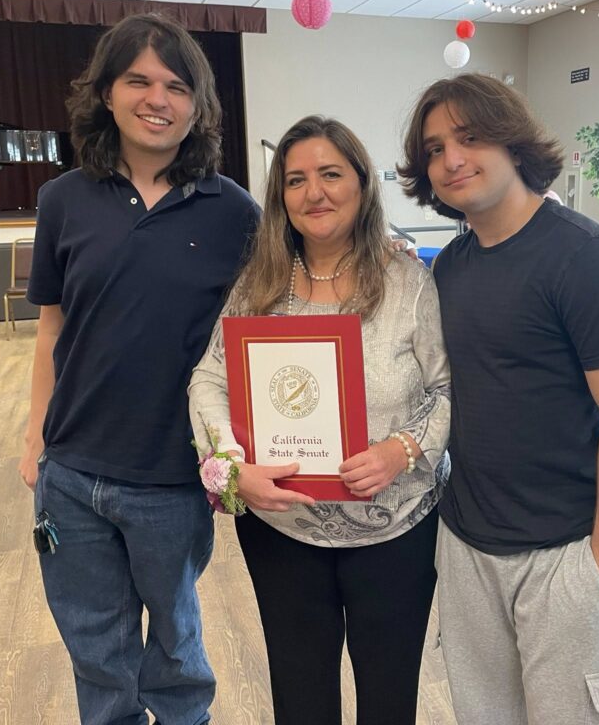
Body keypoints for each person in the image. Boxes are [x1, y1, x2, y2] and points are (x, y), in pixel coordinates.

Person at [396, 73, 599, 725]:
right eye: (434, 149)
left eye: (469, 137)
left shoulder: (590, 260)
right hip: (468, 547)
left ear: (512, 140)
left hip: (565, 554)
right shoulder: (452, 267)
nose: (451, 159)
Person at [18, 14, 260, 725]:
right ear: (107, 94)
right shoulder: (62, 200)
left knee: (177, 646)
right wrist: (36, 438)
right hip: (72, 476)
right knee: (96, 649)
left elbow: (287, 307)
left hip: (173, 477)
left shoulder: (234, 212)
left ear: (198, 104)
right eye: (139, 81)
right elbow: (51, 329)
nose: (158, 99)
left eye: (177, 86)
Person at [188, 115, 450, 725]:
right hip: (283, 530)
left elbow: (447, 390)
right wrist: (231, 467)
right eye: (296, 179)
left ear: (361, 183)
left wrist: (401, 450)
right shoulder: (259, 283)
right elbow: (208, 378)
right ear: (280, 195)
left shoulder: (409, 282)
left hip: (397, 531)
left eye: (331, 174)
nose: (315, 193)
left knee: (389, 699)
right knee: (301, 699)